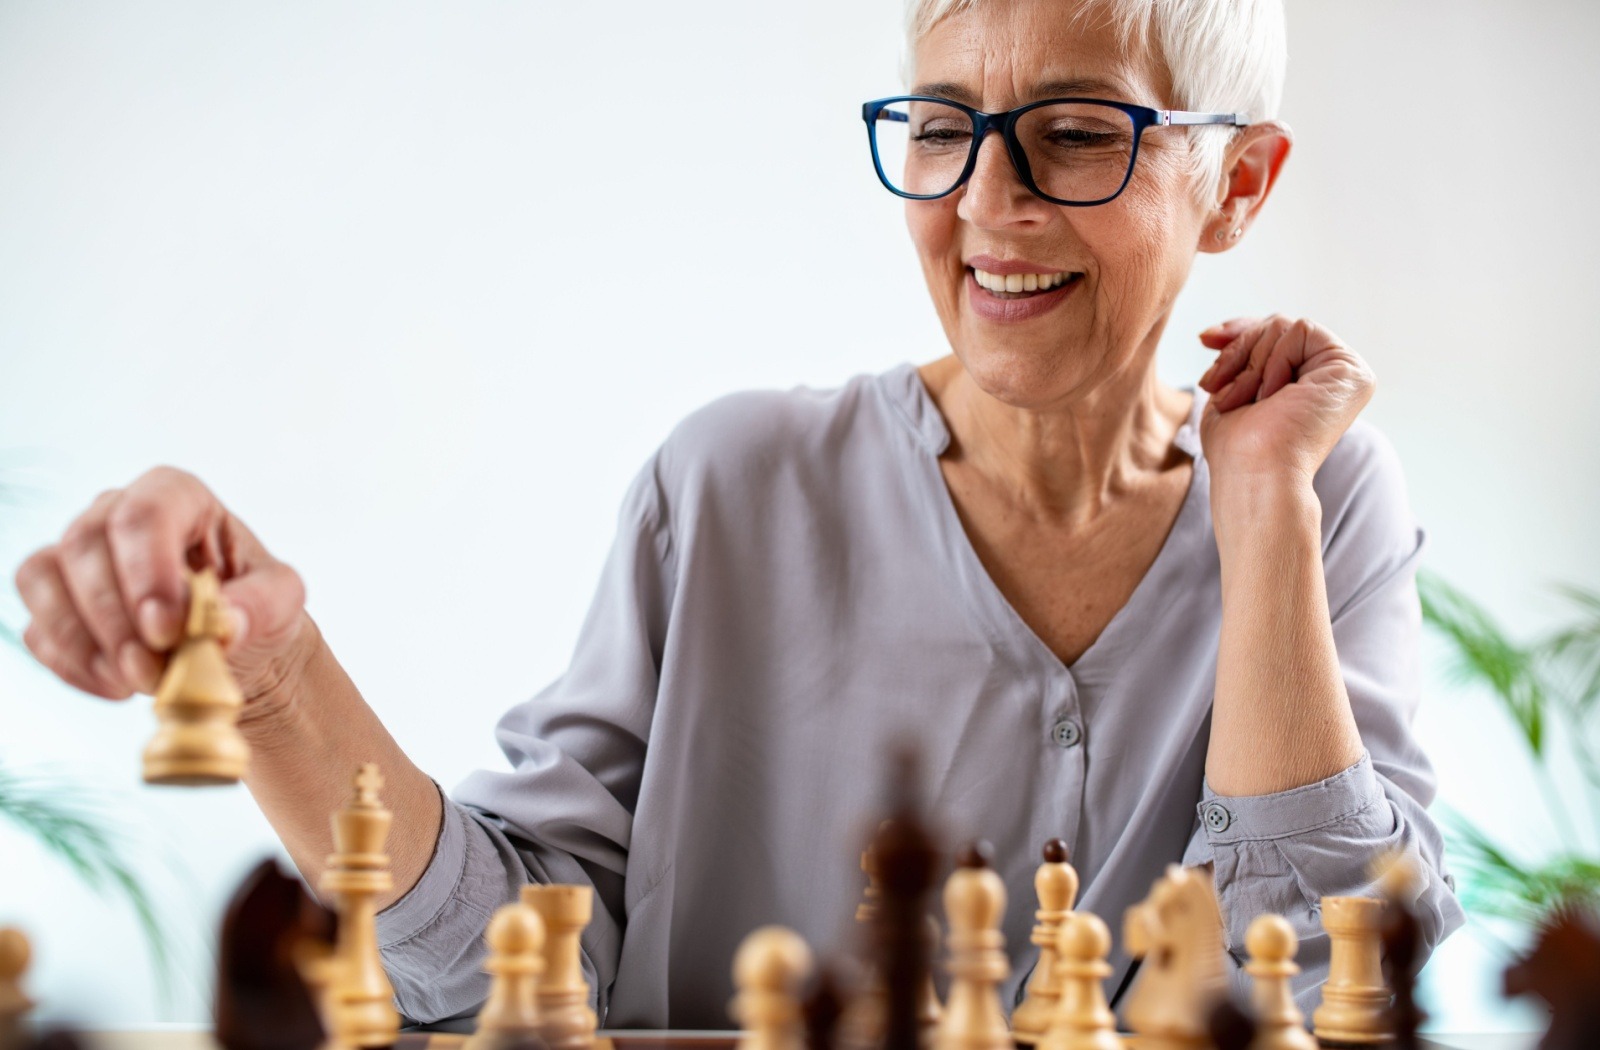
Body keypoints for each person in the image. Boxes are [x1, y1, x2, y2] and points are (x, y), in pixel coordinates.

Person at [13, 0, 1462, 1030]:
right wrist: (273, 680)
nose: (989, 202)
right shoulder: (728, 485)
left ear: (1239, 183)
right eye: (945, 127)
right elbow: (517, 970)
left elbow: (1323, 982)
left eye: (1077, 135)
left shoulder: (1323, 493)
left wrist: (1264, 501)